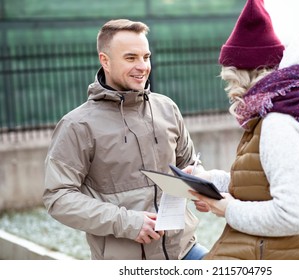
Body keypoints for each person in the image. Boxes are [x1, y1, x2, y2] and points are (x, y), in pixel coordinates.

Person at [187, 0, 299, 260]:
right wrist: (208, 180)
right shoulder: (298, 103)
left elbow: (295, 216)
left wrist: (227, 208)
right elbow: (267, 180)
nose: (231, 90)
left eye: (230, 78)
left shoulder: (280, 123)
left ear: (245, 73)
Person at [42, 19, 208, 260]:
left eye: (146, 56)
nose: (142, 66)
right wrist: (127, 223)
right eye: (131, 58)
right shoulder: (77, 125)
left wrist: (199, 184)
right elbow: (58, 197)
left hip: (185, 250)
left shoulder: (167, 108)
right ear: (105, 61)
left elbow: (189, 162)